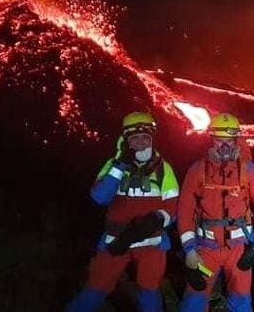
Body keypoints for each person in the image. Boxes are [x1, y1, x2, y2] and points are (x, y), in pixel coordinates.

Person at [68, 112, 179, 312]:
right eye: (134, 139)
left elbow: (173, 206)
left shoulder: (164, 169)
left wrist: (157, 219)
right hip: (115, 241)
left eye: (145, 138)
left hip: (151, 243)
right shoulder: (113, 165)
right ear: (126, 140)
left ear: (152, 139)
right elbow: (100, 197)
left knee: (149, 291)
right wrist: (120, 166)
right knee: (96, 287)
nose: (141, 144)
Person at [177, 113, 254, 312]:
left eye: (229, 141)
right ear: (211, 140)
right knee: (193, 300)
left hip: (239, 250)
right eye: (219, 141)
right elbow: (184, 211)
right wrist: (189, 249)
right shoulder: (197, 171)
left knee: (241, 301)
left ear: (237, 141)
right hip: (205, 249)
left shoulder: (250, 171)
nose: (224, 147)